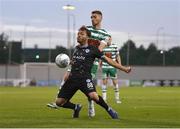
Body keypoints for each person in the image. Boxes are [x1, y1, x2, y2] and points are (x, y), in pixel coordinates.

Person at [47, 10, 131, 117]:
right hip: (75, 73)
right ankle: (72, 105)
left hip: (90, 65)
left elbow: (104, 47)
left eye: (94, 17)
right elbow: (81, 48)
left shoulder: (104, 34)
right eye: (91, 17)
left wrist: (123, 67)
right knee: (66, 79)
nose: (92, 19)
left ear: (100, 18)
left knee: (92, 95)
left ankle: (100, 108)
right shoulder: (81, 41)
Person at [100, 36, 122, 103]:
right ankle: (104, 99)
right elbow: (100, 57)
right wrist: (99, 65)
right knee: (104, 82)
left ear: (111, 39)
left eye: (109, 39)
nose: (108, 40)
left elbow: (118, 56)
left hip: (112, 67)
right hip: (105, 67)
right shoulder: (103, 46)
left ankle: (117, 99)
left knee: (115, 82)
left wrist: (120, 65)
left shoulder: (114, 46)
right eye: (107, 39)